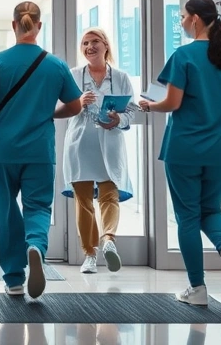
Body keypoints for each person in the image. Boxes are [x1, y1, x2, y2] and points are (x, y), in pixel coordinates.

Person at [139, 0, 221, 306]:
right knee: (211, 211)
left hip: (185, 149)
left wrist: (150, 106)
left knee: (188, 217)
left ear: (195, 20)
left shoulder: (184, 56)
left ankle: (197, 289)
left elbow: (172, 103)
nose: (181, 23)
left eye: (181, 17)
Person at [0, 1, 82, 298]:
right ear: (39, 26)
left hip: (4, 149)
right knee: (37, 206)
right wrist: (50, 114)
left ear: (14, 26)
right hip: (39, 149)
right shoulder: (55, 64)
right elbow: (74, 105)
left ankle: (13, 278)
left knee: (7, 210)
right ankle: (35, 245)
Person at [56, 28, 138, 274]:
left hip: (109, 143)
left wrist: (118, 120)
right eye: (85, 43)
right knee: (83, 201)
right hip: (80, 143)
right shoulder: (73, 75)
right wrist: (78, 103)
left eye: (94, 42)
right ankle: (90, 254)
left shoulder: (121, 77)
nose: (89, 47)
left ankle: (108, 241)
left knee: (109, 194)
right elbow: (59, 107)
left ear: (106, 46)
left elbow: (131, 110)